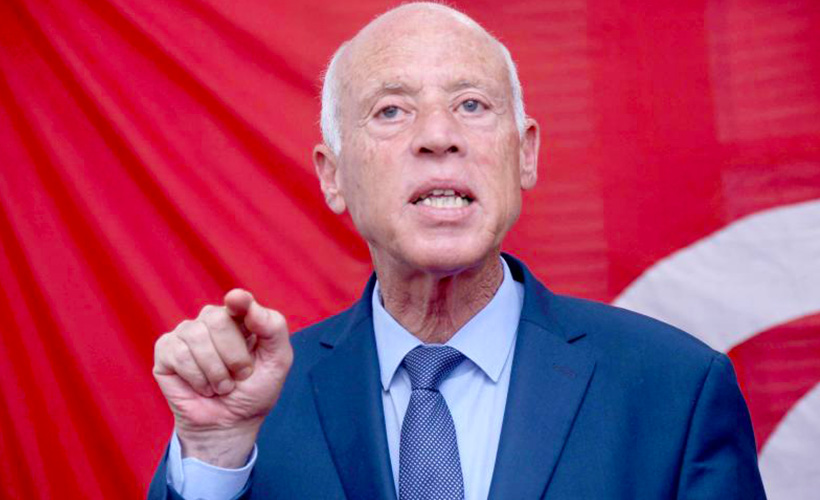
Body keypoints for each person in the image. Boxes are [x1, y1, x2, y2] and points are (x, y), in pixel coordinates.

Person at [148, 3, 766, 499]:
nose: (438, 136)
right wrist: (214, 457)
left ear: (525, 153)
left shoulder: (675, 390)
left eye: (471, 105)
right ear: (332, 176)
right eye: (392, 110)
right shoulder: (254, 406)